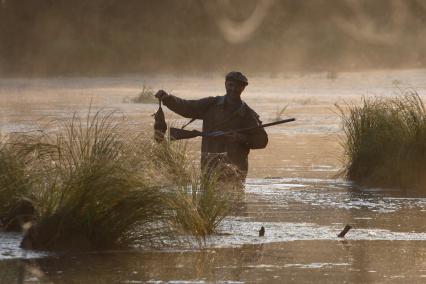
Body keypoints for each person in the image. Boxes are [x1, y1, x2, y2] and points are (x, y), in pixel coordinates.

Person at [155, 71, 268, 183]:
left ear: (243, 88)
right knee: (207, 199)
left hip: (235, 170)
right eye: (230, 85)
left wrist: (240, 138)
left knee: (234, 200)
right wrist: (168, 99)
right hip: (209, 166)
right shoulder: (211, 104)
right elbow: (187, 107)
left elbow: (262, 140)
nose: (233, 89)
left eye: (238, 86)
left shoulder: (248, 114)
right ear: (225, 84)